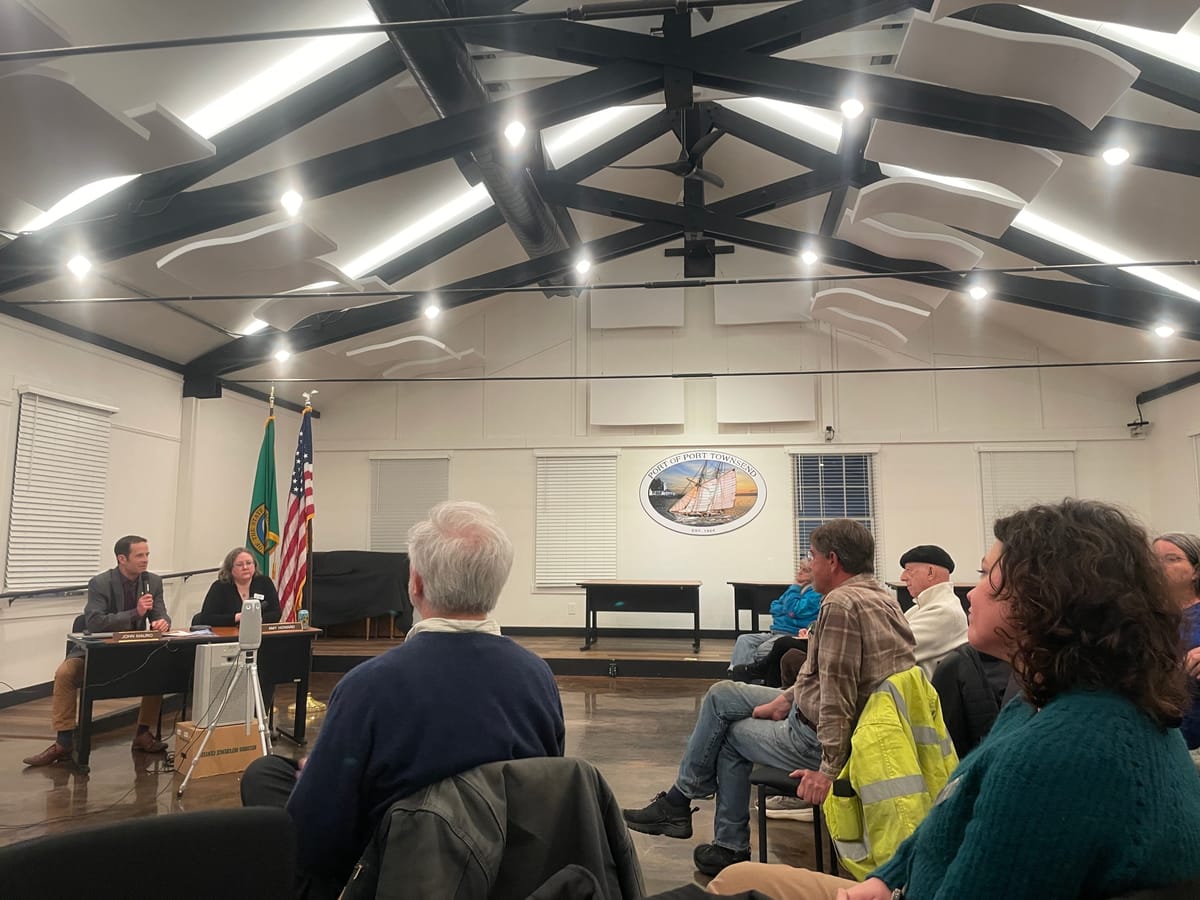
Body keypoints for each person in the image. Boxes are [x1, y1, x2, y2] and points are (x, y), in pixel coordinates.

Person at [708, 499, 1200, 899]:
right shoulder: (1044, 702)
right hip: (907, 882)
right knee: (736, 881)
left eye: (989, 578)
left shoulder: (1054, 757)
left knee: (730, 883)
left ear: (1046, 600)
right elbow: (947, 819)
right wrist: (886, 876)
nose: (972, 594)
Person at [240, 501, 565, 899]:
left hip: (393, 869)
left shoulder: (369, 686)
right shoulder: (537, 677)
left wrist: (319, 774)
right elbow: (544, 784)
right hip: (504, 863)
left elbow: (317, 838)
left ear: (416, 584)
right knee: (272, 770)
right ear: (496, 585)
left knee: (265, 776)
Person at [622, 519, 915, 876]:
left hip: (819, 737)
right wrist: (787, 699)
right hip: (826, 718)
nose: (811, 565)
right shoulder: (882, 598)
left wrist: (828, 770)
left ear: (833, 560)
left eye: (814, 557)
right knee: (721, 695)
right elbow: (829, 673)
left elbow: (839, 695)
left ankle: (723, 841)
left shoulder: (840, 606)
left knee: (731, 737)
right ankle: (679, 801)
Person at [22, 535, 171, 767]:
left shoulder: (152, 581)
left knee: (160, 673)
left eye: (147, 554)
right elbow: (95, 622)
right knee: (65, 674)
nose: (145, 560)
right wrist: (135, 613)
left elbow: (160, 612)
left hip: (133, 651)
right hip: (98, 649)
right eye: (139, 555)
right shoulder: (100, 583)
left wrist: (162, 622)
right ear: (122, 558)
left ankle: (143, 733)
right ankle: (63, 742)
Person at [728, 562, 821, 675]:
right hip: (775, 632)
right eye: (800, 568)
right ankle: (736, 675)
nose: (799, 572)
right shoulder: (795, 589)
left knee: (760, 651)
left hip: (791, 634)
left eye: (805, 570)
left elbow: (794, 610)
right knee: (744, 640)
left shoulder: (816, 593)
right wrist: (788, 611)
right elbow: (774, 606)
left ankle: (752, 677)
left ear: (815, 573)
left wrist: (789, 607)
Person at [1153, 532, 1200, 749]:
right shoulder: (1142, 617)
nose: (1159, 566)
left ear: (1196, 572)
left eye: (1172, 559)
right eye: (1153, 559)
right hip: (1157, 737)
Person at [898, 545, 968, 678]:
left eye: (908, 570)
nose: (903, 577)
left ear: (930, 572)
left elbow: (893, 649)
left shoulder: (944, 611)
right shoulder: (920, 608)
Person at [193, 546, 282, 627]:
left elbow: (276, 613)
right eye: (239, 564)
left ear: (255, 565)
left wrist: (257, 620)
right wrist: (237, 617)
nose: (245, 567)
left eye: (249, 563)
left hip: (260, 634)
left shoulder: (264, 582)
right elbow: (207, 618)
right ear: (230, 568)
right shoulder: (220, 587)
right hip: (227, 637)